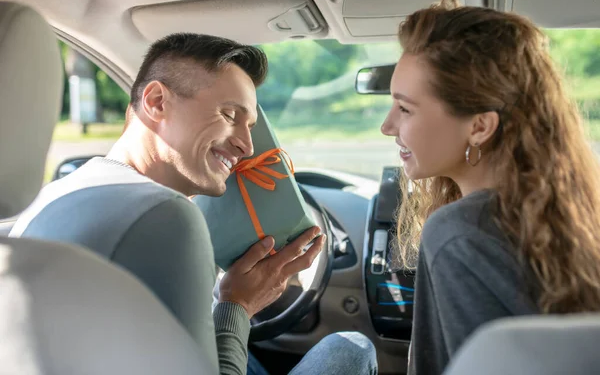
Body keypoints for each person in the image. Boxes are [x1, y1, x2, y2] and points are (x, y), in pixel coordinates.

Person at [11, 33, 377, 375]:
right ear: (156, 102)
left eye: (250, 126)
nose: (247, 147)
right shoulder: (166, 218)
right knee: (353, 349)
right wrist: (237, 306)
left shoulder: (54, 195)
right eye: (230, 116)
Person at [380, 0, 600, 375]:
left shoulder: (459, 234)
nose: (387, 126)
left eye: (405, 109)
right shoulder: (574, 213)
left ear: (480, 127)